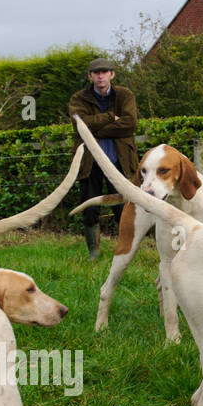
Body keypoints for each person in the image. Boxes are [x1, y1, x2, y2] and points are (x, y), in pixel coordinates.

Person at [68, 58, 138, 260]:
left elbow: (130, 124)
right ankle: (94, 253)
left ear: (112, 74)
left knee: (123, 208)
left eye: (104, 72)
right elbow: (79, 126)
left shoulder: (125, 95)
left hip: (119, 161)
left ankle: (124, 250)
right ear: (90, 76)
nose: (100, 76)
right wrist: (110, 117)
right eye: (96, 72)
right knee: (90, 208)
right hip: (90, 163)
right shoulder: (78, 98)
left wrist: (95, 129)